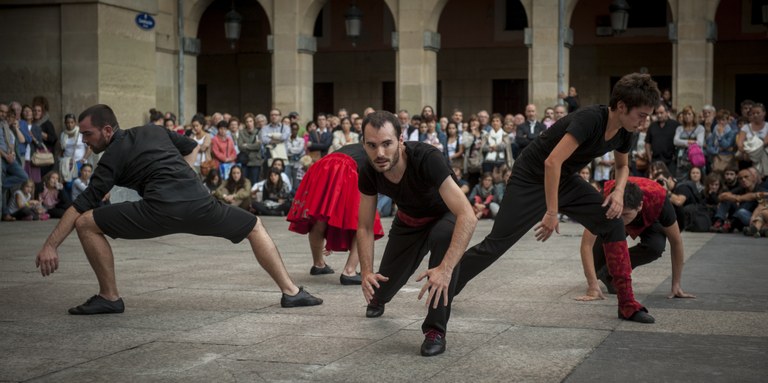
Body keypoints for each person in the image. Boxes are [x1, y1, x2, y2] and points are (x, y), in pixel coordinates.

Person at [34, 104, 322, 315]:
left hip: (157, 212)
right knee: (254, 225)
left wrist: (50, 245)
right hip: (200, 203)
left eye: (88, 134)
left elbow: (80, 205)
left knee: (86, 222)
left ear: (108, 130)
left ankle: (109, 297)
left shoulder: (110, 158)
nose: (85, 140)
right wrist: (187, 173)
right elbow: (191, 146)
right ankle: (292, 292)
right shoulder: (154, 130)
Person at [454, 73, 661, 324]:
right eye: (641, 115)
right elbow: (552, 161)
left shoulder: (625, 131)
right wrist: (551, 213)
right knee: (496, 244)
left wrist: (618, 192)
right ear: (621, 106)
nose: (643, 122)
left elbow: (622, 167)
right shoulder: (589, 119)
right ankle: (446, 284)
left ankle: (627, 303)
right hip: (530, 178)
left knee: (612, 219)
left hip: (564, 178)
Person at [357, 111, 478, 357]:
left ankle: (435, 330)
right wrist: (367, 271)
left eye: (387, 144)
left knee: (444, 239)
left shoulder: (427, 158)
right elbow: (365, 226)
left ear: (401, 140)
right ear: (364, 145)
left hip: (445, 216)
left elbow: (468, 215)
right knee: (382, 284)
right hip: (409, 220)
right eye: (372, 145)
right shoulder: (368, 170)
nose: (379, 153)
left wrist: (445, 269)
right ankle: (380, 298)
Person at [574, 178, 695, 301]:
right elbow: (586, 244)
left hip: (649, 217)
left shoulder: (659, 200)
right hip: (610, 214)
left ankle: (611, 271)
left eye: (625, 215)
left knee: (655, 247)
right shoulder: (604, 200)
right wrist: (592, 285)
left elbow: (676, 242)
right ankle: (609, 273)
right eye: (618, 213)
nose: (620, 220)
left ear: (640, 206)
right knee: (595, 268)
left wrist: (676, 284)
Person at [287, 143, 385, 285]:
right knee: (366, 222)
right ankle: (350, 271)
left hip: (322, 166)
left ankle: (318, 264)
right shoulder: (382, 151)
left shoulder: (361, 145)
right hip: (344, 169)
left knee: (319, 219)